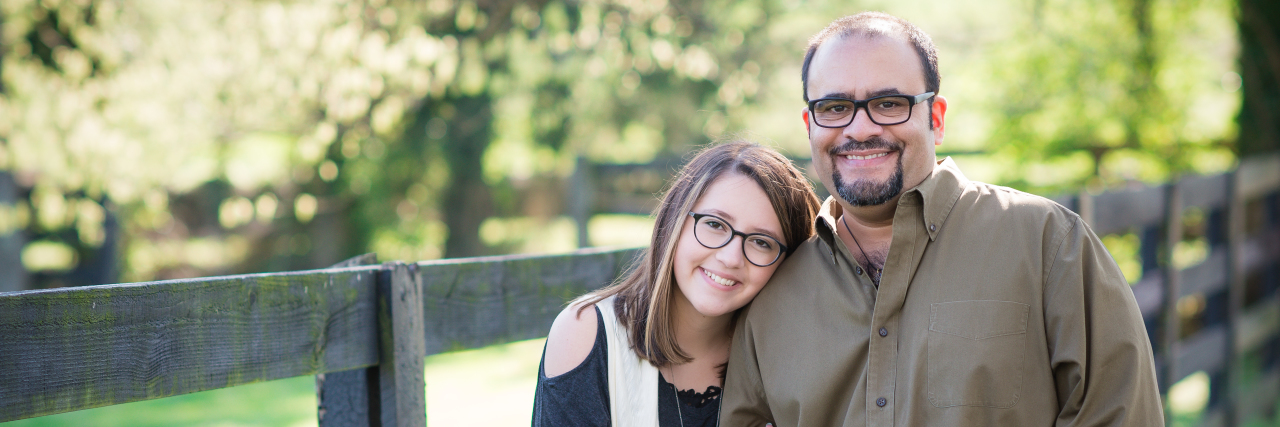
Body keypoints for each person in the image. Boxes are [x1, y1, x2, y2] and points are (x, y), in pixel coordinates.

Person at [721, 12, 1164, 426]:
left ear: (935, 117)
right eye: (835, 107)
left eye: (888, 103)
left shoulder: (1050, 245)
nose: (858, 129)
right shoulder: (772, 288)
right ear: (810, 125)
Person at [532, 141, 821, 426]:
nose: (731, 258)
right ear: (675, 220)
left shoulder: (788, 360)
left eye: (761, 242)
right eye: (714, 224)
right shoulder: (586, 334)